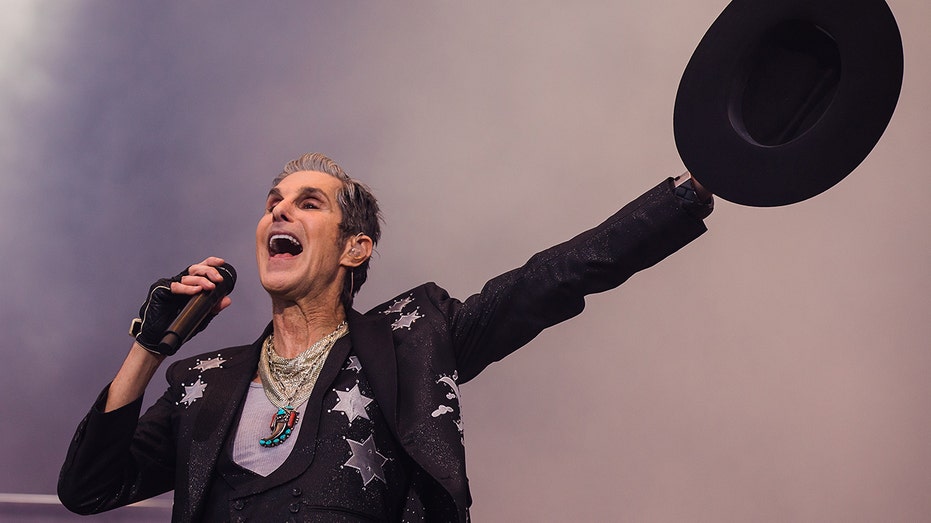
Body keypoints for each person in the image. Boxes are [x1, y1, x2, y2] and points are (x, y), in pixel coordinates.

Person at [58, 152, 713, 522]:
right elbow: (89, 488)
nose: (278, 210)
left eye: (307, 202)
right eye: (272, 201)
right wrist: (151, 344)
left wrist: (687, 195)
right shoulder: (202, 383)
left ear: (354, 247)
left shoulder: (413, 339)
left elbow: (552, 279)